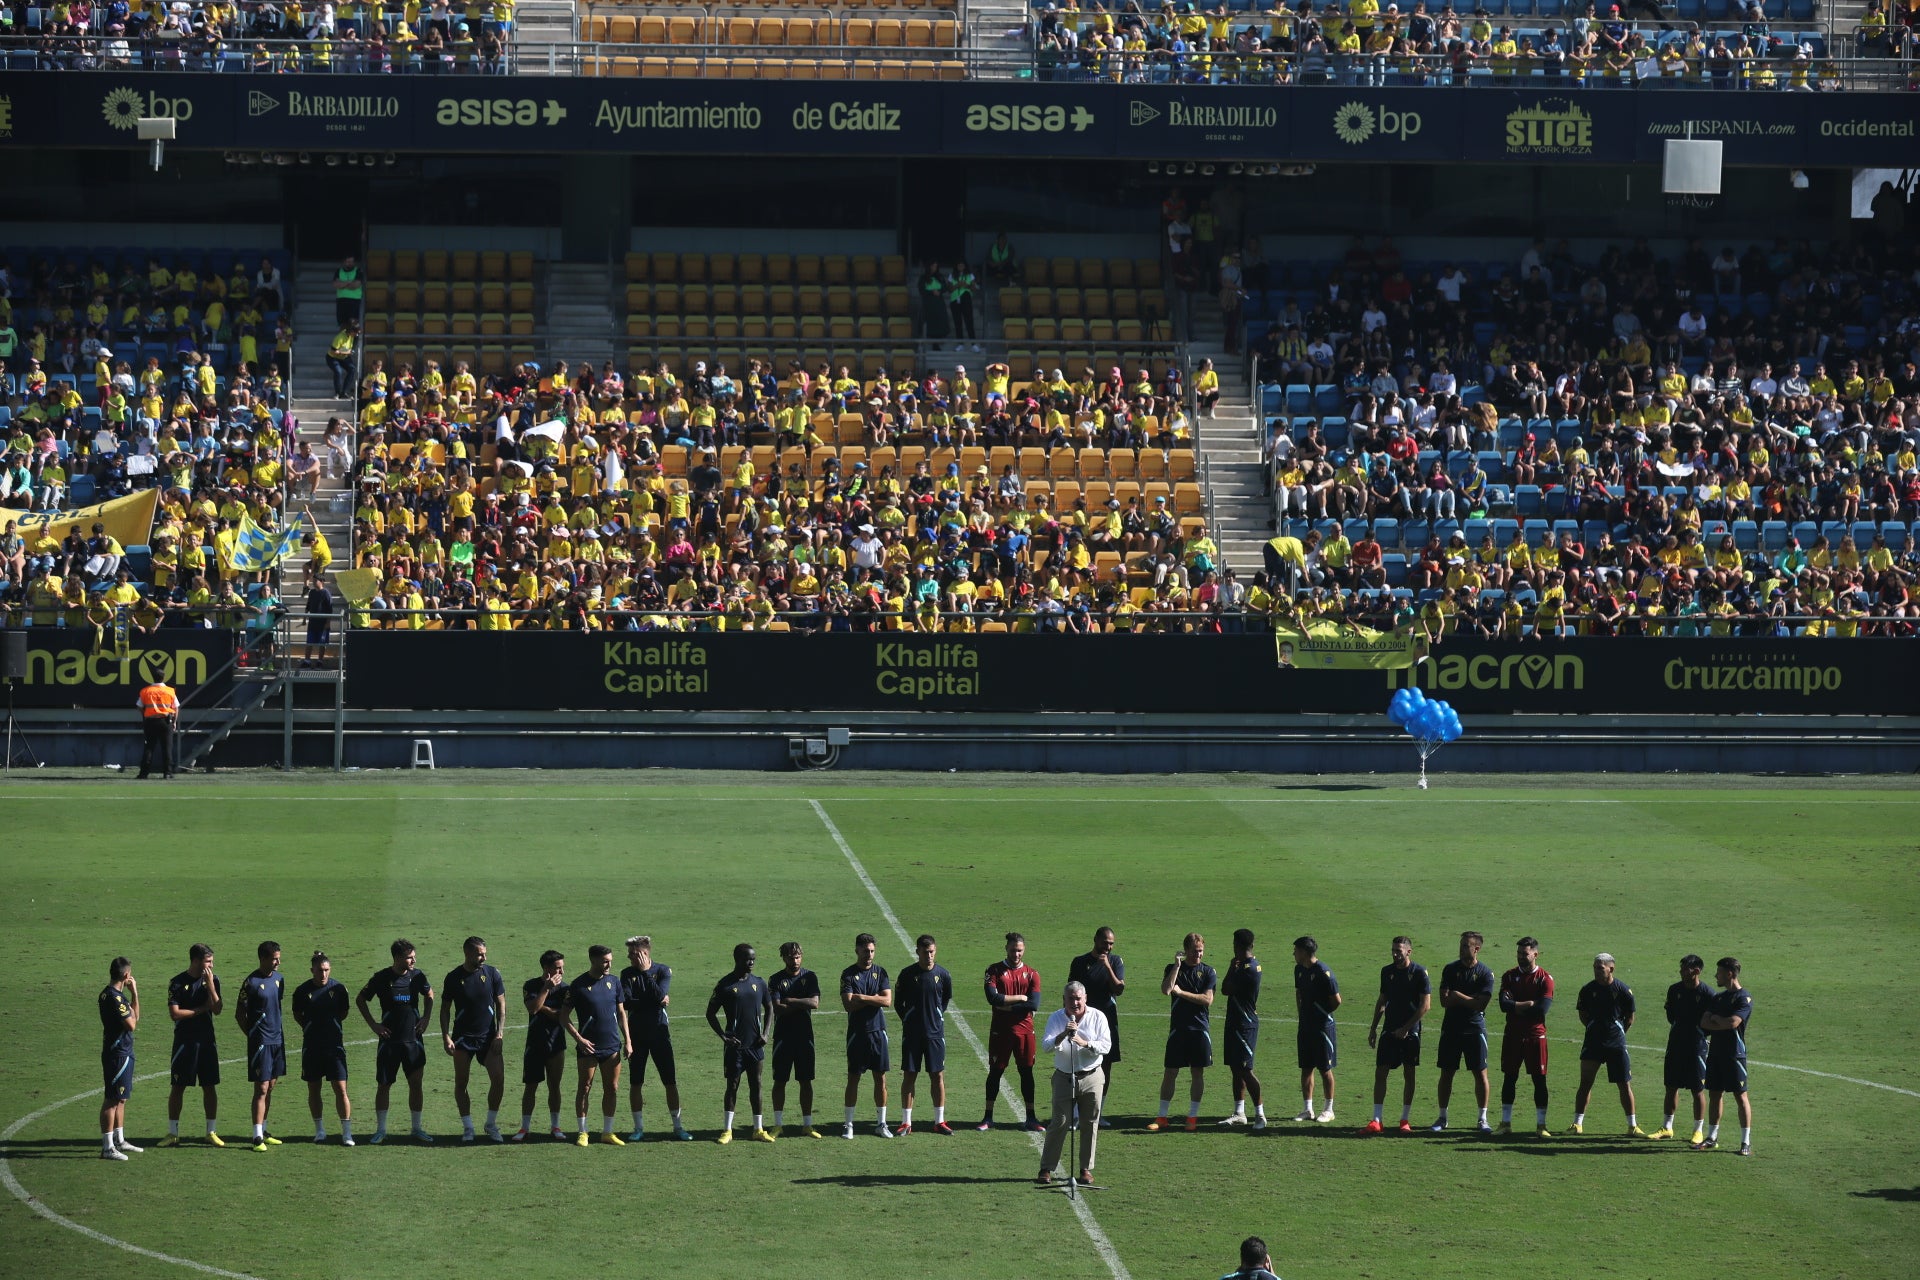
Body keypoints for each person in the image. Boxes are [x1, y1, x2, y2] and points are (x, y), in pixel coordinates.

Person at [356, 938, 435, 1144]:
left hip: (413, 1042)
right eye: (409, 957)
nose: (413, 960)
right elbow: (361, 999)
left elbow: (429, 994)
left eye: (414, 956)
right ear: (397, 957)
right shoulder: (382, 977)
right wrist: (374, 1025)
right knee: (384, 1085)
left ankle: (416, 1128)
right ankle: (381, 1130)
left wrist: (426, 1018)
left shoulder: (417, 976)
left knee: (416, 1084)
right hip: (389, 1042)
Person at [1036, 980, 1111, 1186]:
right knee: (1059, 1122)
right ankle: (1047, 1168)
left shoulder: (1098, 1017)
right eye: (1071, 999)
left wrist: (1085, 1043)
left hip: (1092, 1076)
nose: (1075, 1003)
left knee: (1089, 1123)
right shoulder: (1056, 1018)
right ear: (1064, 1000)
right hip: (1063, 1076)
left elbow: (1106, 1045)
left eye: (1078, 998)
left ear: (1085, 998)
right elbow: (1045, 1046)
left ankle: (1085, 1169)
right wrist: (1062, 1035)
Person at [621, 935, 692, 1141]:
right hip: (636, 1036)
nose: (629, 957)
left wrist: (646, 977)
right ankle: (638, 1128)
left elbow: (661, 994)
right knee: (636, 1082)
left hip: (660, 1035)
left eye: (633, 954)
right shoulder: (626, 973)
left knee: (670, 1081)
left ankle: (678, 1127)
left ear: (644, 954)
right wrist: (656, 1000)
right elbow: (626, 1003)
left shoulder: (662, 971)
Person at [440, 935, 508, 1143]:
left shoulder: (492, 973)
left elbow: (501, 1007)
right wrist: (446, 1036)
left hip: (488, 1038)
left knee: (498, 1078)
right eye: (479, 954)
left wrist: (499, 1033)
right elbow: (445, 1009)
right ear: (467, 953)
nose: (483, 958)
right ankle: (468, 1127)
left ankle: (490, 1124)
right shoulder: (453, 977)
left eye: (485, 954)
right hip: (462, 1039)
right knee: (462, 1083)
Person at [705, 943, 774, 1144]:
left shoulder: (759, 983)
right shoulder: (725, 985)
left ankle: (758, 1129)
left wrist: (766, 1033)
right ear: (737, 959)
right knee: (732, 1085)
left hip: (755, 1046)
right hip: (735, 1046)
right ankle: (727, 1130)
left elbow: (769, 1007)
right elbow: (710, 1014)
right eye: (747, 959)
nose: (751, 962)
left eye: (753, 959)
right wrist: (723, 1036)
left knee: (757, 1084)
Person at [1363, 936, 1431, 1134]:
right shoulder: (1387, 972)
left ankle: (1404, 1119)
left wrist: (1407, 1028)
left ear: (1408, 952)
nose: (1394, 954)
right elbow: (1382, 999)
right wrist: (1374, 1027)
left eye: (1398, 951)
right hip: (1389, 1029)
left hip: (1411, 1032)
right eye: (1393, 950)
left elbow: (1425, 1005)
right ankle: (1377, 1120)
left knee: (1409, 1073)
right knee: (1380, 1071)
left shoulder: (1419, 973)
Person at [1572, 952, 1645, 1137]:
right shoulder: (1587, 989)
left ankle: (1632, 1125)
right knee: (1585, 1083)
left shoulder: (1622, 990)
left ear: (1611, 968)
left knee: (1624, 1085)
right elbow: (1583, 1013)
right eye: (1595, 967)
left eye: (1600, 968)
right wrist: (1592, 1027)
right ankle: (1577, 1123)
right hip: (1593, 1043)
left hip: (1616, 1045)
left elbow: (1630, 1018)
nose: (1596, 971)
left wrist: (1618, 1033)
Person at [1149, 932, 1216, 1132]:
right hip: (1178, 1030)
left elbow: (1207, 1000)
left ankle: (1192, 1118)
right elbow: (1166, 989)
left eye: (1201, 951)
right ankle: (1162, 1117)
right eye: (1195, 951)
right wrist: (1177, 966)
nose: (1198, 955)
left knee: (1197, 1072)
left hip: (1199, 1029)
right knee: (1170, 1072)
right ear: (1185, 951)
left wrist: (1182, 993)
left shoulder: (1208, 972)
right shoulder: (1172, 969)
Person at [1429, 930, 1495, 1133]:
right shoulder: (1450, 970)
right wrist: (1469, 999)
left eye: (1466, 945)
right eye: (1461, 945)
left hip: (1475, 1029)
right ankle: (1442, 1117)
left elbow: (1481, 1005)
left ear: (1477, 948)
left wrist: (1458, 996)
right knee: (1446, 1073)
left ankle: (1482, 1118)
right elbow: (1444, 1001)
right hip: (1451, 1028)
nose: (1461, 949)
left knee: (1480, 1074)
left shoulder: (1485, 973)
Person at [566, 944, 632, 1146]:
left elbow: (621, 1013)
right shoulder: (578, 985)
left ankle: (607, 1132)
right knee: (584, 1087)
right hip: (589, 1048)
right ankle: (583, 1131)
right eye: (605, 961)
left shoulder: (614, 982)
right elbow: (563, 1016)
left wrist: (628, 1040)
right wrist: (579, 1039)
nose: (609, 964)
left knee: (611, 1088)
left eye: (610, 960)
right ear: (593, 960)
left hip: (612, 1045)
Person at [159, 942, 223, 1147]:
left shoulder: (213, 980)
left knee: (209, 1086)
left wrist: (211, 986)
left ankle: (211, 1132)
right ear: (196, 961)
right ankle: (172, 1133)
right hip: (184, 1043)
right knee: (177, 1087)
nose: (211, 966)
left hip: (206, 1041)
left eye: (212, 962)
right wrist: (201, 1010)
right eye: (208, 962)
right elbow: (175, 1014)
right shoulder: (177, 982)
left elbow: (218, 1008)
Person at [980, 931, 1042, 1132]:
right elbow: (993, 999)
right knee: (996, 1072)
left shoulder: (1032, 974)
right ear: (1006, 948)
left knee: (1026, 1073)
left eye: (1020, 951)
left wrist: (1007, 1005)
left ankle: (1031, 1117)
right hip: (1001, 1031)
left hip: (1025, 1032)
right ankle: (988, 1117)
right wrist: (1021, 999)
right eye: (1013, 950)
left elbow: (1034, 1003)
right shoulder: (994, 970)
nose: (1016, 954)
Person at [893, 933, 954, 1136]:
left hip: (935, 1034)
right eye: (925, 952)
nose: (929, 956)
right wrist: (909, 1020)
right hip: (912, 1035)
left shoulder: (943, 975)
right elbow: (898, 1003)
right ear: (917, 951)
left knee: (937, 1076)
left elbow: (944, 1000)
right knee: (910, 1075)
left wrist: (935, 1016)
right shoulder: (907, 974)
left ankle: (939, 1121)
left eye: (932, 952)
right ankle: (906, 1122)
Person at [291, 950, 352, 1145]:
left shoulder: (339, 989)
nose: (323, 974)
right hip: (312, 1048)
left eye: (326, 970)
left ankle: (347, 1133)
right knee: (313, 1088)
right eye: (319, 970)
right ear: (312, 970)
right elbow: (297, 1014)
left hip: (335, 1048)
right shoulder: (302, 991)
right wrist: (310, 1028)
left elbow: (343, 1012)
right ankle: (319, 1130)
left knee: (341, 1089)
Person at [1067, 928, 1127, 1126]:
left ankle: (1097, 1112)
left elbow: (1119, 989)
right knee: (1079, 1063)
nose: (1107, 947)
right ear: (1095, 940)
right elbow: (1070, 992)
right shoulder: (1079, 962)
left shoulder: (1115, 962)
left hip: (1107, 1021)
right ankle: (1076, 1113)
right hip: (1084, 1020)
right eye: (1105, 942)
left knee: (1106, 1065)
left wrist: (1107, 967)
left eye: (1111, 944)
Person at [1497, 936, 1554, 1137]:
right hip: (1512, 1035)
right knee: (1509, 1077)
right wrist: (1526, 1004)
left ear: (1535, 954)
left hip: (1535, 1036)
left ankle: (1541, 1125)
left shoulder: (1545, 979)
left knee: (1539, 1080)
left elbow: (1542, 1009)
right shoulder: (1509, 976)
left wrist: (1516, 1006)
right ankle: (1505, 1123)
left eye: (1525, 953)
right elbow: (1503, 1005)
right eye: (1519, 953)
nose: (1521, 956)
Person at [1654, 954, 1714, 1144]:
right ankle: (1667, 1127)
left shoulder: (1707, 994)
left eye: (1684, 969)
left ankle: (1698, 1130)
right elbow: (1670, 1015)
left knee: (1697, 1089)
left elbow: (1711, 1022)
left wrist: (1699, 1034)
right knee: (1671, 1086)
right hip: (1676, 1044)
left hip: (1697, 1046)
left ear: (1696, 971)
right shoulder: (1674, 990)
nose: (1681, 972)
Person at [840, 931, 895, 1139]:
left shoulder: (881, 973)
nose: (869, 955)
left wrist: (862, 997)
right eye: (865, 951)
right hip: (857, 1034)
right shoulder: (848, 974)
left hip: (878, 1033)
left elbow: (887, 1001)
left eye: (872, 951)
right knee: (853, 1078)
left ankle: (881, 1123)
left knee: (880, 1079)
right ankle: (848, 1124)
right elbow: (848, 1004)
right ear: (857, 950)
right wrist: (875, 998)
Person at [1696, 957, 1752, 1156]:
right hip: (1716, 1053)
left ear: (1729, 973)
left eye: (1719, 972)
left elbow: (1733, 1023)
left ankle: (1745, 1142)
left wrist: (1717, 1020)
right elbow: (1704, 1022)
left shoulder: (1743, 998)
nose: (1715, 976)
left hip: (1735, 1055)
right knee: (1714, 1093)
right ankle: (1712, 1137)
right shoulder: (1718, 998)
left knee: (1740, 1096)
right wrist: (1720, 1021)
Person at [234, 940, 287, 1152]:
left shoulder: (279, 980)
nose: (278, 962)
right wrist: (253, 1036)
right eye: (274, 958)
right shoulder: (251, 983)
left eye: (279, 958)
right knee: (261, 1087)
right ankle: (256, 1136)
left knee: (271, 1085)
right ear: (263, 958)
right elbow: (239, 1014)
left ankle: (264, 1129)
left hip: (277, 1040)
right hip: (261, 1043)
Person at [515, 950, 571, 1142]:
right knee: (530, 1087)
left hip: (556, 1044)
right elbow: (532, 1008)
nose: (562, 971)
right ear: (546, 968)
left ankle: (555, 1126)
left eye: (562, 967)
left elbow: (560, 1016)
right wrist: (546, 989)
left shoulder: (565, 989)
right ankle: (524, 1128)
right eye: (558, 967)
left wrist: (543, 1008)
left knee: (554, 1086)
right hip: (534, 1044)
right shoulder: (531, 985)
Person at [768, 941, 822, 1138]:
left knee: (806, 1081)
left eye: (798, 956)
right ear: (783, 958)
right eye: (791, 957)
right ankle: (778, 1125)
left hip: (805, 1037)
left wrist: (790, 1000)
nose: (795, 960)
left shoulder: (810, 977)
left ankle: (807, 1125)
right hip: (783, 1037)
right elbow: (777, 1007)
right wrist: (801, 1003)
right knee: (779, 1080)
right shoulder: (775, 979)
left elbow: (814, 1003)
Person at [1219, 929, 1266, 1128]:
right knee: (1236, 1069)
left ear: (1236, 945)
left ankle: (1260, 1115)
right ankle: (1239, 1113)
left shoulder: (1248, 969)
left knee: (1245, 1070)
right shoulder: (1249, 966)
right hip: (1235, 1022)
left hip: (1245, 1025)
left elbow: (1225, 989)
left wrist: (1231, 967)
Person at [1292, 936, 1340, 1123]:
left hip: (1323, 1028)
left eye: (1296, 950)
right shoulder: (1299, 970)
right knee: (1306, 1067)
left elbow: (1337, 1001)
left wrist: (1321, 1014)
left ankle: (1329, 1109)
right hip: (1305, 1026)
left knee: (1324, 1068)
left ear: (1304, 952)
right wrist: (1302, 1014)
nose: (1294, 954)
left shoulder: (1323, 972)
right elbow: (1299, 993)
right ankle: (1307, 1109)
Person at [98, 956, 141, 1160]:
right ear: (126, 975)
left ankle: (119, 1140)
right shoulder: (115, 998)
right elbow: (132, 1024)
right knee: (112, 1099)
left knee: (121, 1098)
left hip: (121, 1051)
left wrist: (134, 995)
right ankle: (108, 1147)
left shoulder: (111, 995)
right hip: (117, 1054)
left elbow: (135, 1018)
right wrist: (133, 993)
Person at [135, 674, 178, 779]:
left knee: (149, 747)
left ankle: (144, 773)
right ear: (164, 678)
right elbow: (176, 708)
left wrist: (145, 714)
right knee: (167, 748)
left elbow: (139, 706)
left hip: (150, 722)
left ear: (152, 677)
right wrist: (174, 722)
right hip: (166, 721)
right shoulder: (170, 691)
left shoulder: (146, 691)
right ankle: (167, 773)